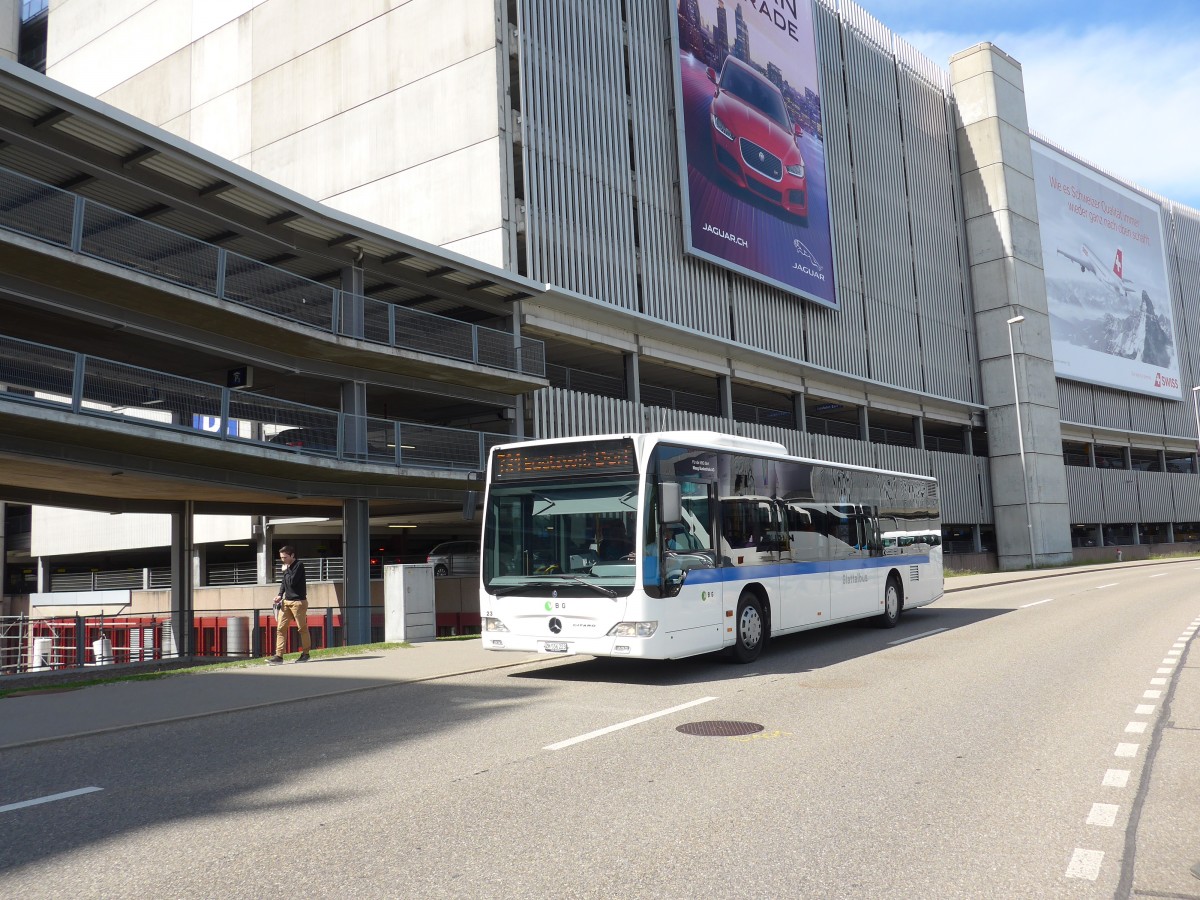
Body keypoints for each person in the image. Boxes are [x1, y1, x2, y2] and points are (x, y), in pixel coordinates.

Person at [268, 545, 310, 664]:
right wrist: (280, 595)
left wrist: (286, 571)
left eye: (285, 557)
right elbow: (284, 583)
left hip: (298, 602)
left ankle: (306, 654)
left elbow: (292, 582)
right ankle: (279, 656)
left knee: (302, 628)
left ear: (292, 555)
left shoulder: (298, 565)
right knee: (280, 628)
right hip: (286, 602)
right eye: (281, 557)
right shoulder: (287, 567)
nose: (283, 560)